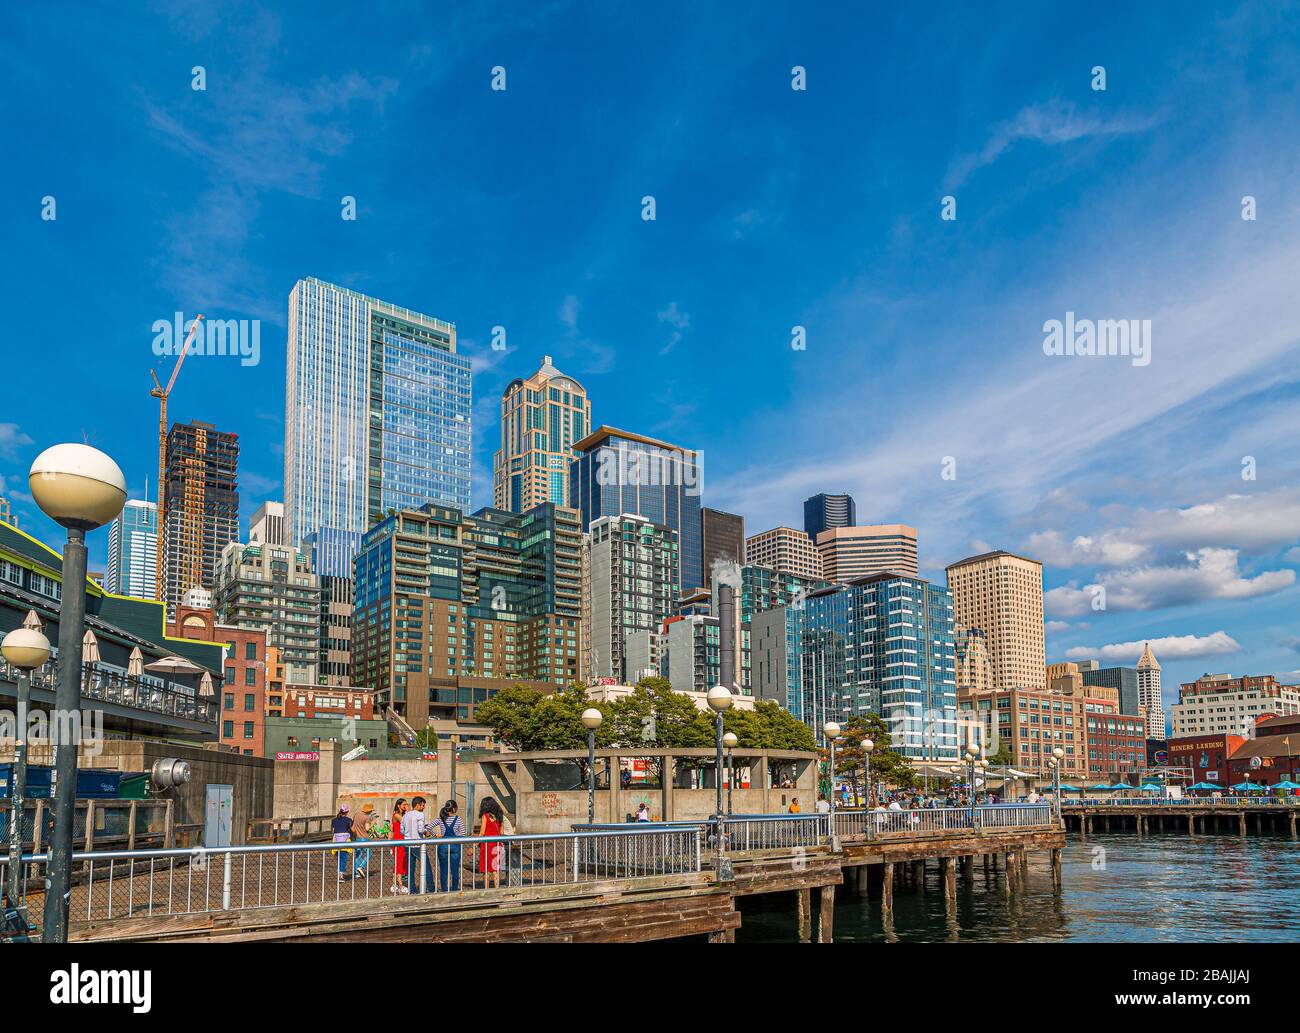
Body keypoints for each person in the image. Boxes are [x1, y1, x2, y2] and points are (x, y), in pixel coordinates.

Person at [402, 796, 432, 893]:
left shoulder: (405, 815)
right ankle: (430, 888)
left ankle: (412, 890)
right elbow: (420, 829)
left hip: (407, 844)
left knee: (410, 869)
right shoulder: (420, 815)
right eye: (423, 805)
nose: (424, 807)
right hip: (418, 844)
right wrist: (426, 832)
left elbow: (401, 830)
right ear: (418, 805)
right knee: (426, 866)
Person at [435, 800, 467, 892]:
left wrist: (436, 835)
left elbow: (428, 827)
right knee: (455, 870)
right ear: (454, 808)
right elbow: (463, 834)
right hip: (455, 846)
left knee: (443, 869)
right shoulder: (458, 819)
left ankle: (444, 890)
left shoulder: (441, 819)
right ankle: (455, 890)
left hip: (443, 846)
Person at [476, 797, 506, 889]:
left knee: (486, 869)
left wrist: (475, 845)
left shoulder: (485, 816)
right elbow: (501, 833)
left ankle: (487, 889)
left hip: (486, 845)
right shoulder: (499, 816)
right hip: (497, 844)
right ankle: (497, 889)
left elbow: (482, 833)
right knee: (495, 869)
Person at [331, 804, 354, 881]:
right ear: (347, 811)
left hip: (336, 840)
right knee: (344, 858)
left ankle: (340, 872)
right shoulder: (349, 820)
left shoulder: (334, 820)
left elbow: (333, 831)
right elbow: (352, 830)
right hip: (345, 840)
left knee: (339, 858)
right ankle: (341, 874)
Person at [351, 803, 375, 877]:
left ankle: (356, 873)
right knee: (369, 853)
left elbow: (353, 826)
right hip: (364, 838)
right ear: (369, 811)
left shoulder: (356, 815)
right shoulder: (366, 817)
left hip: (357, 837)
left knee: (358, 855)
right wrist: (372, 824)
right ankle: (361, 867)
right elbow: (367, 828)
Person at [390, 798, 408, 894]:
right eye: (404, 804)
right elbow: (406, 822)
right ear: (398, 805)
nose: (406, 806)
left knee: (403, 862)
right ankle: (400, 885)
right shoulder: (396, 815)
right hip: (398, 841)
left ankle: (395, 884)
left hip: (404, 841)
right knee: (399, 863)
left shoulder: (404, 815)